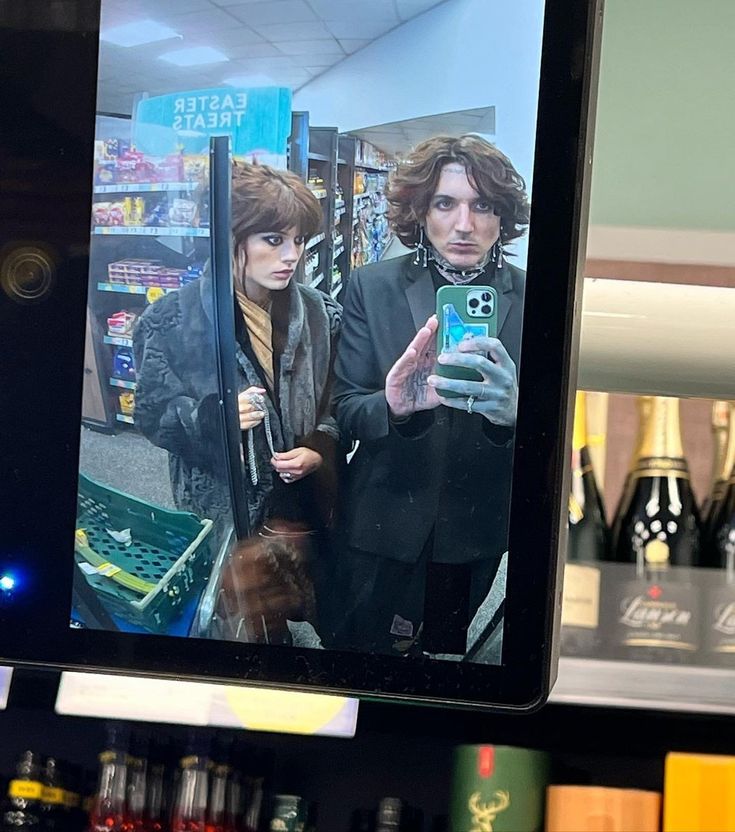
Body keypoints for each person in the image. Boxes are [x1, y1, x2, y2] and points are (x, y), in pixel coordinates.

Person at [330, 134, 530, 657]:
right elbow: (347, 407)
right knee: (359, 655)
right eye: (445, 203)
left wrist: (515, 414)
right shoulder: (370, 287)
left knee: (440, 661)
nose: (464, 224)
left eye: (482, 205)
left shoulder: (537, 297)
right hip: (383, 519)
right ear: (420, 211)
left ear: (502, 215)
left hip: (475, 526)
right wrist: (394, 406)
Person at [133, 163, 341, 641]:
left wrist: (320, 445)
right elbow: (151, 414)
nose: (291, 256)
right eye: (273, 239)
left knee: (309, 590)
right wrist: (209, 417)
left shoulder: (320, 312)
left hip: (303, 497)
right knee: (248, 610)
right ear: (230, 240)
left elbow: (337, 400)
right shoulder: (169, 321)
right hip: (224, 503)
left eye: (300, 241)